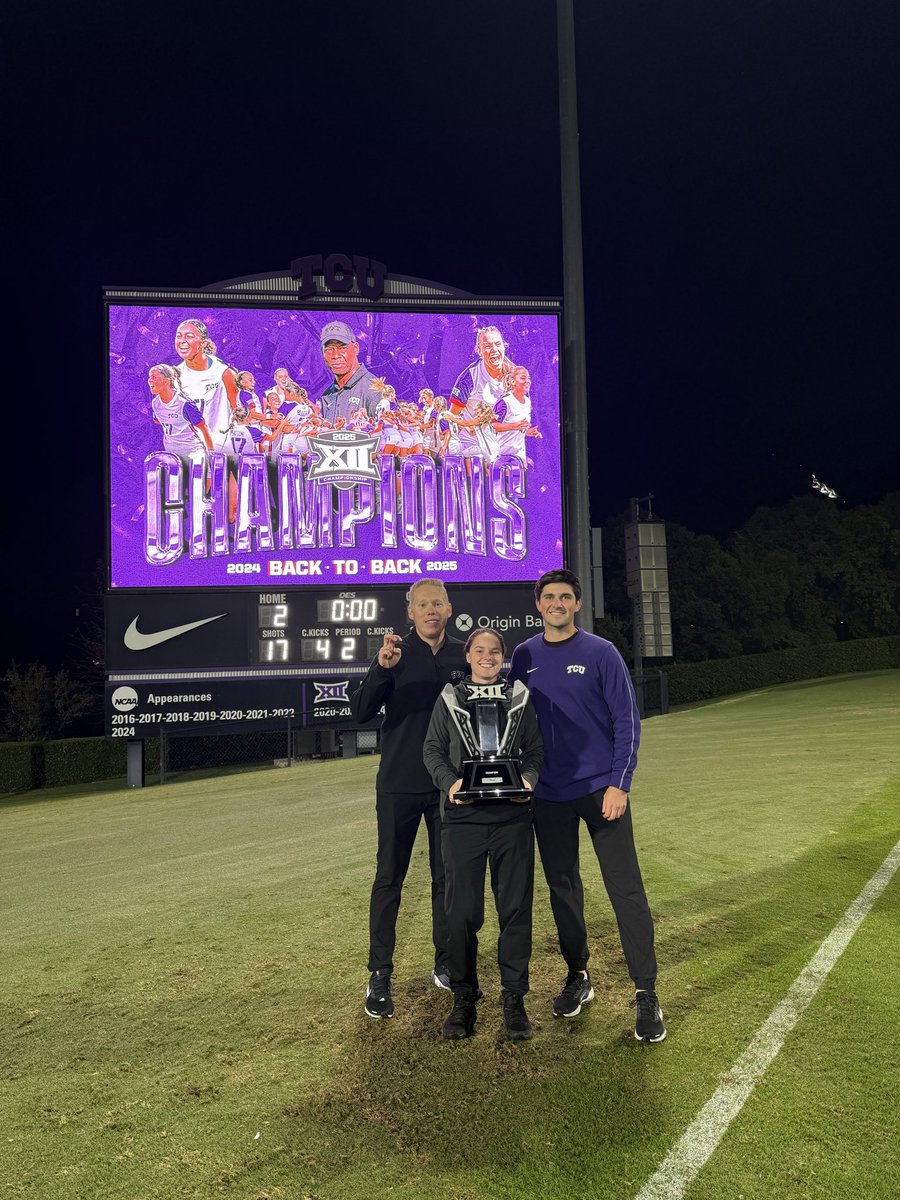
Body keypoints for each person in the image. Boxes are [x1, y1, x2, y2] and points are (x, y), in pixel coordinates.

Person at [508, 569, 666, 1043]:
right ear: (538, 605)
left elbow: (627, 720)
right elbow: (510, 719)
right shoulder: (523, 656)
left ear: (577, 604)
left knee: (626, 890)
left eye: (565, 597)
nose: (557, 603)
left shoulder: (601, 652)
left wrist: (620, 784)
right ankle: (579, 975)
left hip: (601, 791)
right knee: (563, 890)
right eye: (549, 597)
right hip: (548, 796)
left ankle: (646, 992)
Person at [349, 579, 468, 1019]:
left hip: (448, 786)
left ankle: (445, 962)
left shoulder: (464, 653)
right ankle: (380, 973)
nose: (431, 610)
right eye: (423, 604)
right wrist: (381, 669)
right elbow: (359, 711)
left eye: (437, 602)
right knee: (389, 879)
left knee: (446, 879)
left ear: (449, 608)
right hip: (398, 783)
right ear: (411, 612)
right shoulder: (394, 653)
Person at [423, 629, 543, 1041]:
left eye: (494, 651)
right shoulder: (449, 698)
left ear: (502, 658)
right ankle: (464, 998)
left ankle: (514, 998)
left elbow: (535, 751)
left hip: (511, 818)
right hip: (463, 820)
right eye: (480, 650)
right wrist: (450, 783)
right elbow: (433, 750)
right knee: (461, 913)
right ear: (468, 656)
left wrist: (527, 778)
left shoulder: (519, 698)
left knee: (514, 910)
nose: (487, 657)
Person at [319, 320, 383, 423]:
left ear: (356, 348)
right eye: (329, 349)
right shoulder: (327, 395)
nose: (335, 355)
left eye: (342, 348)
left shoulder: (374, 389)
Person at [148, 363, 213, 459]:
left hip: (193, 454)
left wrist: (211, 455)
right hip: (171, 455)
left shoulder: (184, 403)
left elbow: (204, 429)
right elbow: (158, 422)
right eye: (149, 377)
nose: (149, 380)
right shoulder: (155, 403)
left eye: (154, 377)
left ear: (167, 380)